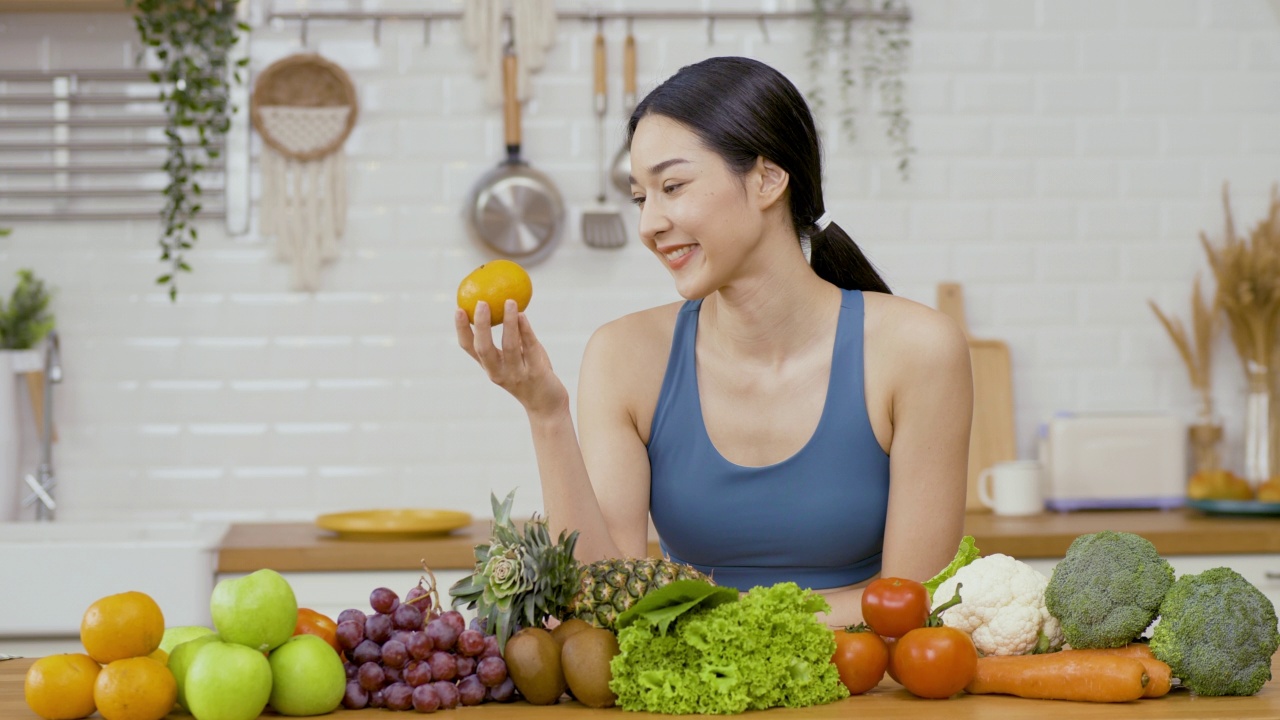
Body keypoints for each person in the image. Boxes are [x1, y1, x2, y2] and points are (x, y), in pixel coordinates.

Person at [455, 56, 972, 627]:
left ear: (768, 179)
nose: (649, 224)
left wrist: (699, 618)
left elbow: (914, 604)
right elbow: (600, 597)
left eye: (672, 186)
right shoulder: (625, 356)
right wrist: (545, 411)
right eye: (640, 197)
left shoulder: (917, 349)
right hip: (693, 699)